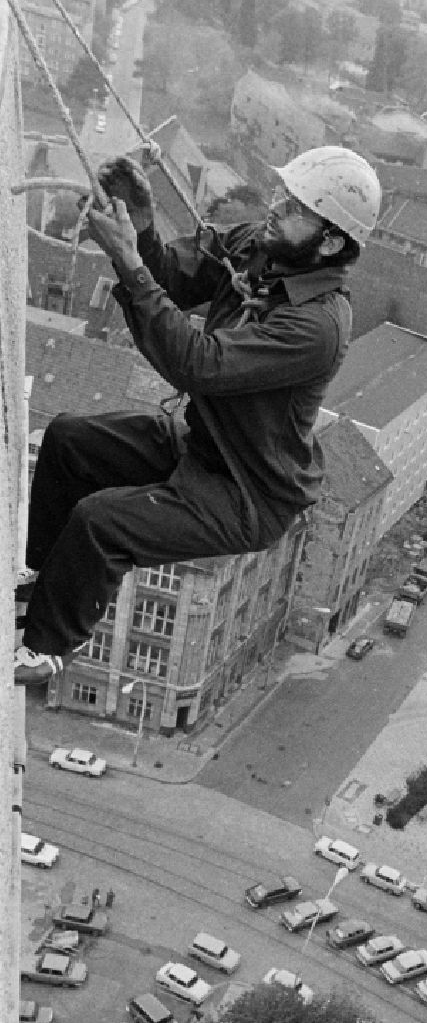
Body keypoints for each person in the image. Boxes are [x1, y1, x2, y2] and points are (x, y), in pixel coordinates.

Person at [15, 146, 381, 685]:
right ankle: (39, 577)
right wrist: (140, 222)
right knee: (70, 439)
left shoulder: (318, 327)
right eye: (283, 194)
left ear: (329, 241)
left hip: (246, 491)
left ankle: (43, 651)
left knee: (102, 521)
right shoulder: (259, 249)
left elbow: (198, 365)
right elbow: (174, 276)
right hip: (204, 447)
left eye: (296, 206)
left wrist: (127, 262)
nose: (276, 206)